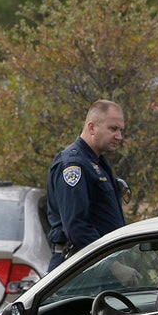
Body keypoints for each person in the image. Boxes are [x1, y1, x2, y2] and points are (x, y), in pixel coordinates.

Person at [46, 99, 134, 275]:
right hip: (78, 268)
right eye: (113, 129)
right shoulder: (73, 166)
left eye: (121, 130)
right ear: (92, 128)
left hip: (95, 265)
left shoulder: (97, 162)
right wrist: (113, 266)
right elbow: (77, 227)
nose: (119, 136)